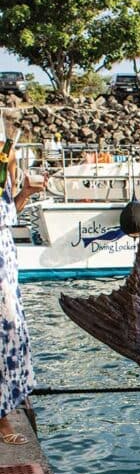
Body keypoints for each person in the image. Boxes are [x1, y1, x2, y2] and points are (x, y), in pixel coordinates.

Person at [0, 144, 45, 445]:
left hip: (4, 253)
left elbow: (8, 211)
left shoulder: (7, 156)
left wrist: (26, 192)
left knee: (10, 333)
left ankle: (3, 414)